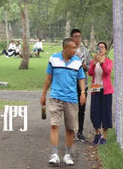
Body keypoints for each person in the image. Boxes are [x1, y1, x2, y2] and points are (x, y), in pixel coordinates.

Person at [40, 36, 86, 166]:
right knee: (54, 125)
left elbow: (81, 78)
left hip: (71, 99)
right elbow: (48, 78)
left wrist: (82, 93)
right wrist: (43, 94)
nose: (75, 50)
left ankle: (67, 155)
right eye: (72, 48)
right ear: (65, 48)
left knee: (70, 129)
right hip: (55, 97)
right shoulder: (53, 59)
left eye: (75, 48)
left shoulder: (77, 62)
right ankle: (54, 154)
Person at [88, 41, 114, 145]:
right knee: (95, 111)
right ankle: (97, 132)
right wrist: (94, 64)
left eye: (102, 47)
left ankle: (104, 135)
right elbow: (90, 73)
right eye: (99, 47)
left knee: (105, 111)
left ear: (106, 50)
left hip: (106, 89)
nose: (100, 49)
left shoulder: (108, 61)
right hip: (96, 87)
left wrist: (101, 62)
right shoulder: (93, 60)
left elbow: (107, 71)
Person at [71, 28, 90, 142]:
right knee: (71, 108)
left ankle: (80, 131)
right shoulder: (69, 50)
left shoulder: (85, 51)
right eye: (75, 37)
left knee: (81, 108)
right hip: (71, 84)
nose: (77, 39)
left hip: (83, 84)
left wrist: (84, 66)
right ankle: (72, 130)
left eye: (79, 36)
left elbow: (89, 66)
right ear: (71, 37)